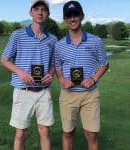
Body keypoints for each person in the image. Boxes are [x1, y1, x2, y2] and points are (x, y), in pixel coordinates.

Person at [0, 0, 57, 150]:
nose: (40, 12)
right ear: (30, 12)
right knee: (20, 133)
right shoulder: (17, 35)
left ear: (48, 14)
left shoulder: (52, 39)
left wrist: (51, 73)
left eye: (44, 9)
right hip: (23, 91)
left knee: (44, 130)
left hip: (44, 92)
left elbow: (54, 64)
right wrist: (20, 71)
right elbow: (4, 59)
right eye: (36, 9)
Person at [55, 1, 109, 150]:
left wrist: (93, 78)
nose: (72, 19)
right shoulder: (59, 45)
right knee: (68, 133)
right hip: (68, 94)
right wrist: (61, 79)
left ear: (82, 16)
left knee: (91, 134)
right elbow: (58, 67)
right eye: (69, 16)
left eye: (75, 14)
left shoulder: (95, 41)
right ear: (65, 19)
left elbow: (104, 63)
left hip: (90, 94)